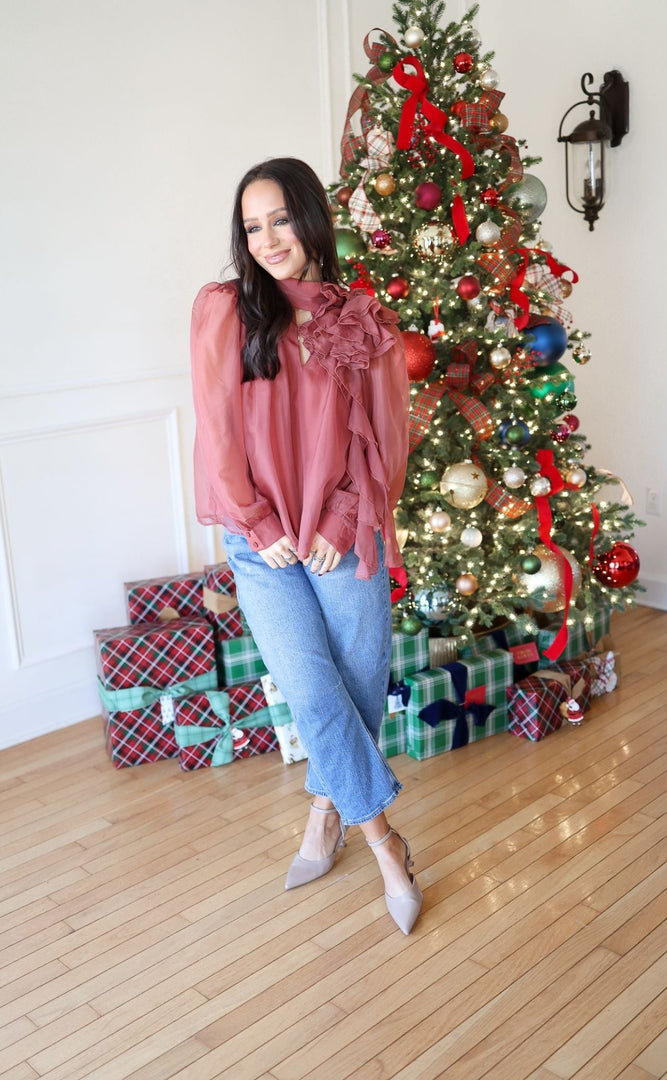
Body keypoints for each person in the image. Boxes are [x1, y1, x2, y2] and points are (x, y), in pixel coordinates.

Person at [189, 157, 422, 934]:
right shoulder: (226, 309)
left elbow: (384, 439)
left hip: (341, 533)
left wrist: (336, 520)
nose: (266, 239)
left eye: (280, 219)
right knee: (315, 693)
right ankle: (387, 845)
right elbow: (219, 433)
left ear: (312, 217)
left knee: (357, 684)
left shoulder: (359, 316)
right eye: (251, 226)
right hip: (263, 541)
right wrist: (259, 525)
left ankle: (325, 810)